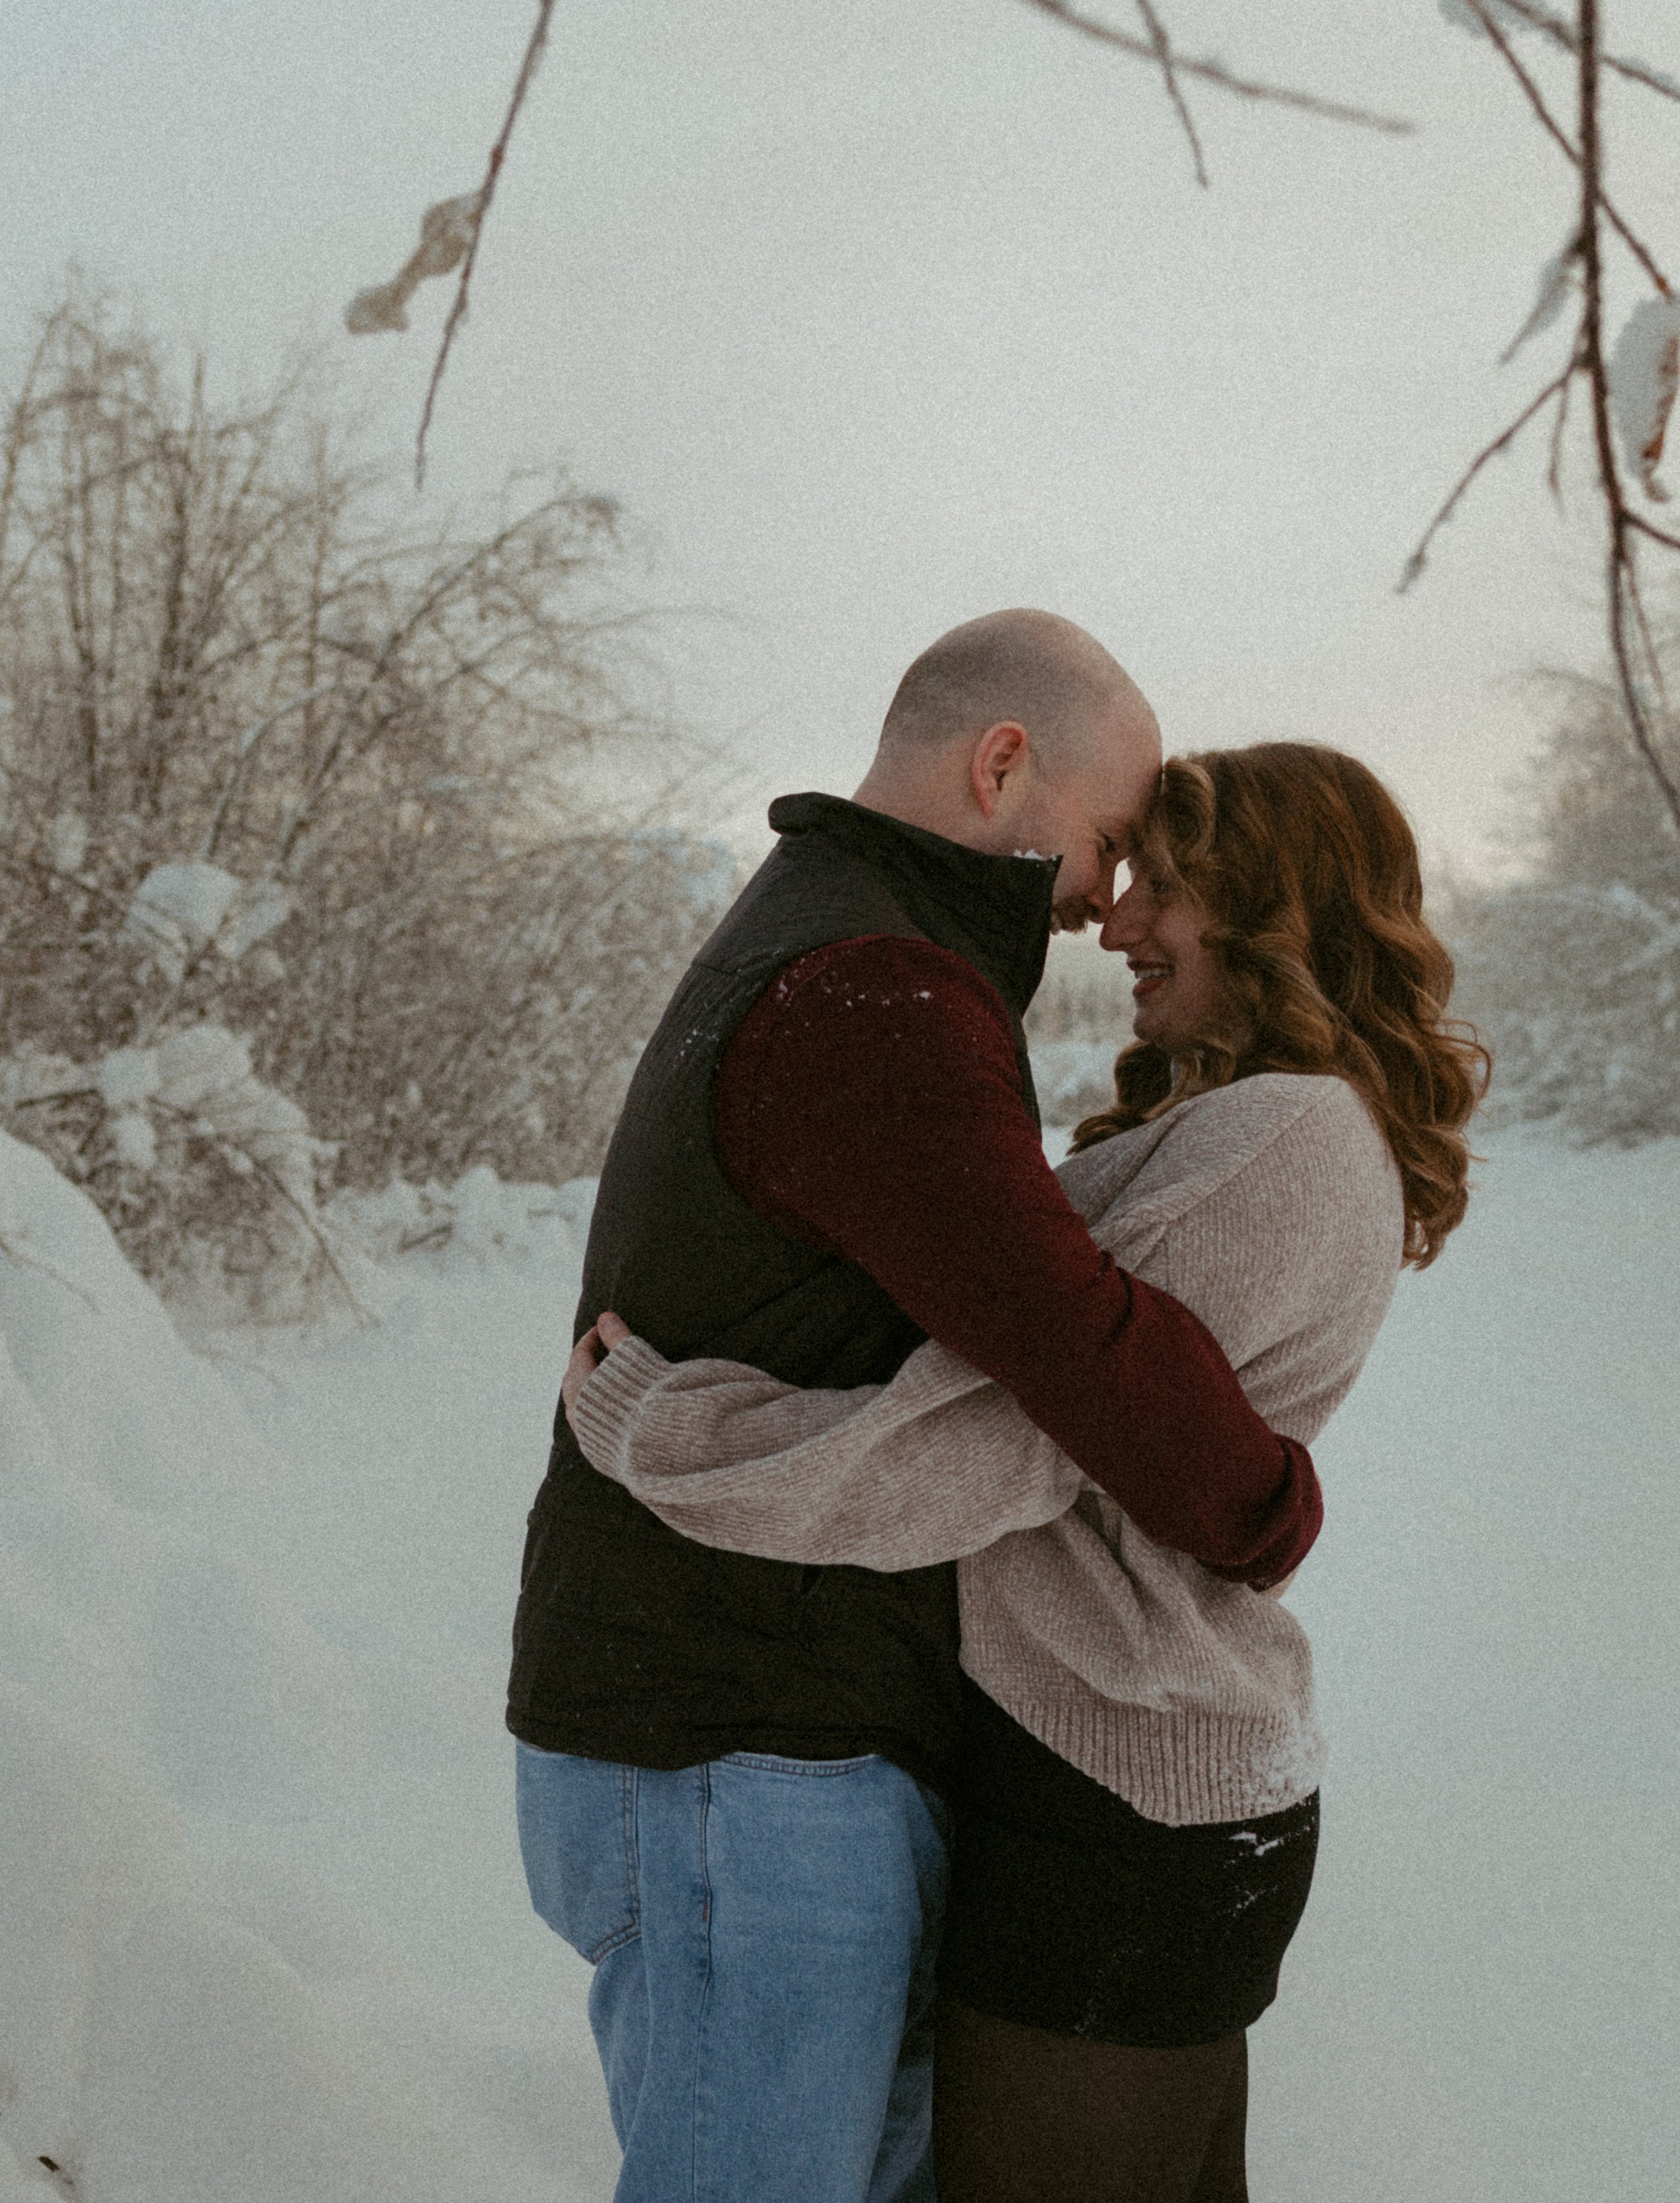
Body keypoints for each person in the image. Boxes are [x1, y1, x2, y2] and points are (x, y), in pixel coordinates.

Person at [563, 741, 1489, 2203]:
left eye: (1165, 888)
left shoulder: (1285, 1134)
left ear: (1274, 907)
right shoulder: (1260, 1120)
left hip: (1123, 1790)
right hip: (1140, 1776)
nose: (1118, 924)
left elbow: (999, 1442)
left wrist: (656, 1426)